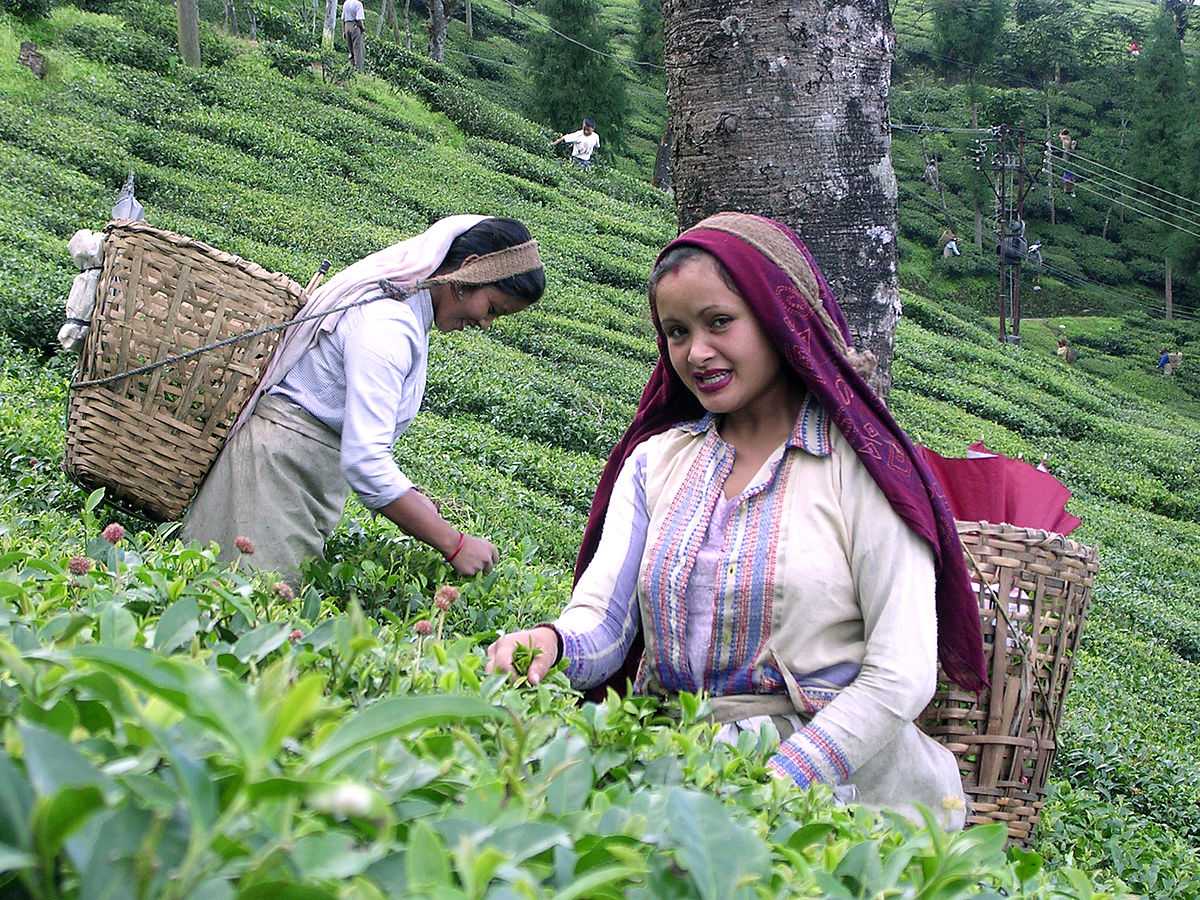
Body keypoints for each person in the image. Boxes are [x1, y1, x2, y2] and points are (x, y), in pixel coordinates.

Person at [486, 212, 986, 829]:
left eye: (720, 321)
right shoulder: (656, 463)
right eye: (675, 332)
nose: (696, 352)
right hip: (673, 775)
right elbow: (606, 622)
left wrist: (769, 778)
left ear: (781, 320)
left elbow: (899, 676)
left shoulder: (864, 469)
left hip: (840, 800)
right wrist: (553, 645)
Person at [182, 217, 545, 585]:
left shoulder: (407, 316)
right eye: (493, 308)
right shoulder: (388, 325)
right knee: (239, 611)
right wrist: (453, 544)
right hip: (272, 476)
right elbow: (366, 462)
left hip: (295, 475)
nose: (486, 323)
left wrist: (413, 499)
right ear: (469, 272)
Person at [343, 0, 366, 72]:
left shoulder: (346, 3)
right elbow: (359, 19)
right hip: (355, 26)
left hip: (347, 26)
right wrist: (363, 28)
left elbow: (343, 19)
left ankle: (351, 67)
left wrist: (343, 30)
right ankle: (358, 70)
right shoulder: (358, 4)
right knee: (357, 49)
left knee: (350, 49)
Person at [1059, 129, 1077, 196]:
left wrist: (1061, 132)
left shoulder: (1066, 138)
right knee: (1067, 169)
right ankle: (1068, 189)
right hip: (1067, 152)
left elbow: (1060, 136)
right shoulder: (1067, 138)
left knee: (1067, 168)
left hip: (1067, 152)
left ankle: (1069, 189)